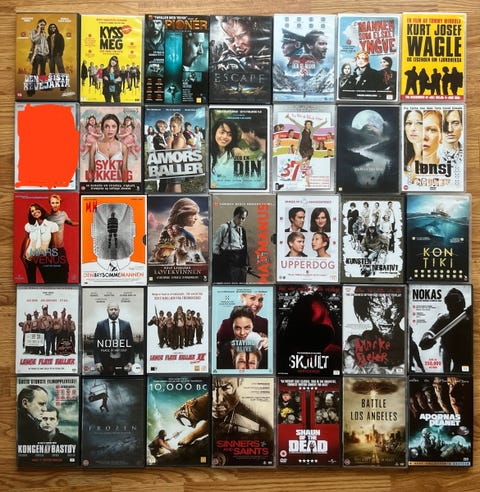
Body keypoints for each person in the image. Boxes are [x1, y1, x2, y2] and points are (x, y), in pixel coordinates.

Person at [351, 288, 405, 371]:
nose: (386, 316)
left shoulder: (408, 343)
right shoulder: (357, 345)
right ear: (366, 309)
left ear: (402, 310)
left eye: (393, 307)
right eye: (377, 306)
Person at [419, 288, 472, 373]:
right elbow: (430, 332)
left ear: (461, 302)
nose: (451, 304)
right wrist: (426, 338)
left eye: (454, 300)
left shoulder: (470, 318)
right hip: (457, 364)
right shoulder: (444, 320)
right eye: (449, 301)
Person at [212, 377, 273, 441]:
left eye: (227, 388)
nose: (216, 400)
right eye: (211, 388)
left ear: (240, 381)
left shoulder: (260, 427)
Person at [217, 306, 268, 370]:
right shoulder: (226, 350)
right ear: (232, 327)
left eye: (247, 328)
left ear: (253, 326)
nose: (242, 333)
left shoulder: (264, 347)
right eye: (237, 328)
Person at [20, 203, 59, 283]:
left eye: (36, 209)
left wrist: (51, 258)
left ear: (41, 210)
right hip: (29, 257)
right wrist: (22, 255)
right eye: (32, 211)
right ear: (31, 214)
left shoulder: (52, 225)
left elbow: (54, 244)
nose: (35, 212)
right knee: (31, 281)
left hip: (44, 258)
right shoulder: (29, 226)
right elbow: (26, 239)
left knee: (49, 281)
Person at [93, 301, 135, 376]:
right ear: (107, 310)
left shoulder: (126, 325)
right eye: (111, 309)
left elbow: (131, 344)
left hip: (122, 361)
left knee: (123, 382)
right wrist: (97, 362)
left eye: (115, 309)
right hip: (105, 362)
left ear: (119, 311)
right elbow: (96, 345)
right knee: (105, 381)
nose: (113, 311)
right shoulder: (100, 325)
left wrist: (131, 362)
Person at [212, 206, 249, 283]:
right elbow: (215, 246)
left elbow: (244, 247)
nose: (241, 220)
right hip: (229, 263)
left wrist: (246, 264)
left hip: (240, 263)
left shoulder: (242, 230)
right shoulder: (224, 227)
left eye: (243, 218)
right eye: (239, 217)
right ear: (234, 215)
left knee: (240, 285)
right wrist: (221, 261)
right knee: (229, 284)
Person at [47, 193, 78, 283]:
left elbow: (70, 222)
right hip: (50, 249)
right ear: (50, 203)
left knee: (64, 270)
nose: (55, 205)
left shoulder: (63, 214)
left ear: (60, 203)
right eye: (53, 203)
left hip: (60, 248)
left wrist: (82, 222)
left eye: (57, 202)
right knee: (51, 272)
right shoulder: (47, 217)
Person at [88, 113, 128, 183]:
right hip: (98, 188)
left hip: (117, 188)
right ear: (102, 129)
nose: (110, 130)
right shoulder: (94, 146)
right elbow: (91, 171)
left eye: (113, 126)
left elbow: (124, 172)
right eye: (107, 126)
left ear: (117, 129)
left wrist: (126, 189)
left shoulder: (123, 147)